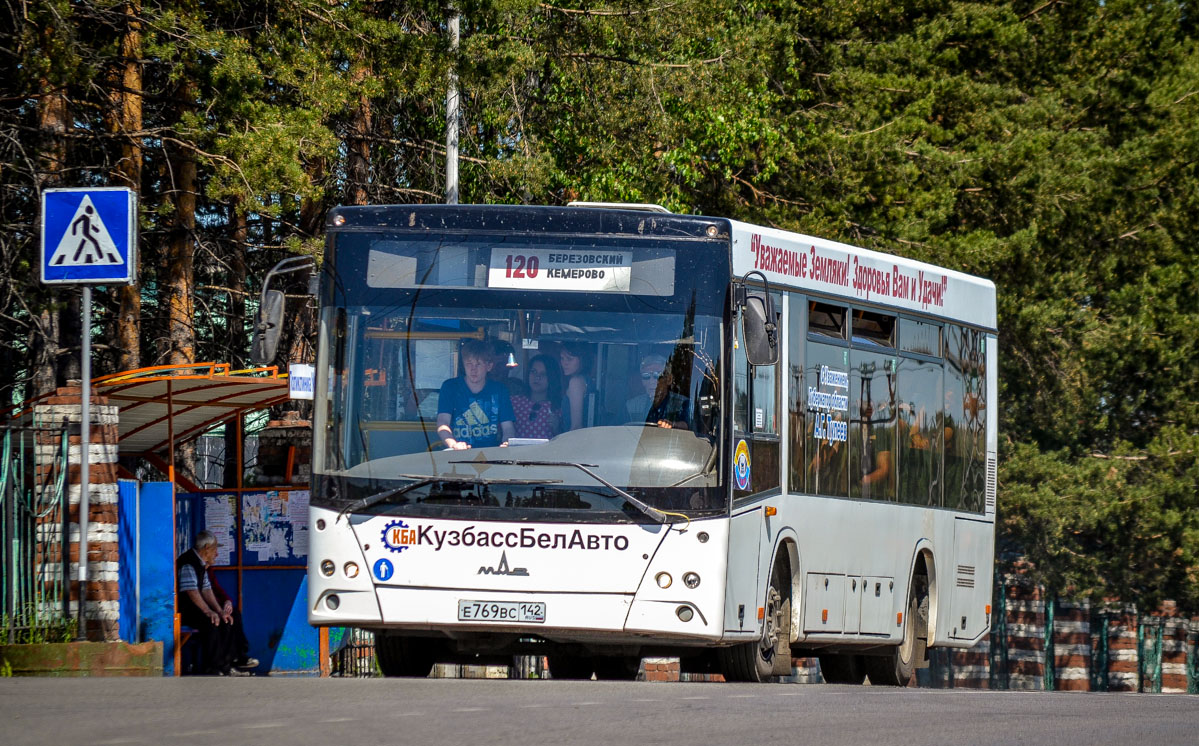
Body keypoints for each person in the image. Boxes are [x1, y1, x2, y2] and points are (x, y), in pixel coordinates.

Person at [177, 531, 258, 675]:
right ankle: (214, 666)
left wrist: (219, 611)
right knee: (211, 622)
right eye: (215, 549)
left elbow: (207, 590)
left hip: (197, 608)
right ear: (206, 548)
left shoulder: (202, 565)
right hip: (187, 610)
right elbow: (192, 591)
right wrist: (209, 611)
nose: (216, 553)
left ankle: (228, 663)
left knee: (225, 618)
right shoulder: (188, 562)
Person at [437, 339, 516, 449]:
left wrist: (507, 443)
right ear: (463, 365)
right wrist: (453, 444)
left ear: (489, 366)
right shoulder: (450, 387)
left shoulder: (499, 390)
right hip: (457, 454)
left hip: (491, 455)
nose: (473, 369)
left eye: (478, 364)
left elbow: (508, 427)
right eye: (469, 364)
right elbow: (442, 422)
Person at [625, 353, 690, 429]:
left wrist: (672, 425)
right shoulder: (631, 406)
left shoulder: (682, 403)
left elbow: (690, 426)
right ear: (642, 382)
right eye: (646, 376)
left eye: (657, 375)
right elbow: (618, 427)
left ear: (669, 379)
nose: (652, 381)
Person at [511, 353, 563, 439]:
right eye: (533, 372)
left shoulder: (559, 407)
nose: (537, 377)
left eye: (543, 374)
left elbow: (565, 442)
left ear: (552, 377)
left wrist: (557, 428)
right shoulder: (514, 403)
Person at [559, 342, 594, 431]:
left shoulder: (575, 382)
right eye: (562, 358)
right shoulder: (587, 380)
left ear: (582, 359)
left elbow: (576, 426)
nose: (564, 363)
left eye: (569, 359)